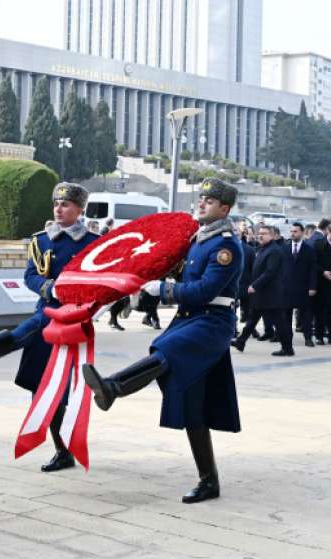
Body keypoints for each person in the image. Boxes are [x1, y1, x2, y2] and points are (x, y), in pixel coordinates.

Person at [83, 178, 243, 503]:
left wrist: (165, 290)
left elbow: (204, 291)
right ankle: (208, 480)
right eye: (201, 198)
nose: (201, 203)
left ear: (224, 209)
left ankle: (114, 387)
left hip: (213, 321)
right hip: (191, 319)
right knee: (193, 402)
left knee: (168, 348)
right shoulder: (198, 240)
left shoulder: (226, 246)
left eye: (210, 201)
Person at [0, 183, 99, 472]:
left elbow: (101, 279)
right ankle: (62, 452)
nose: (58, 209)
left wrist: (76, 294)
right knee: (41, 388)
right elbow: (30, 276)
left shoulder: (92, 242)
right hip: (47, 308)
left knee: (47, 372)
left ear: (80, 209)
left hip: (71, 320)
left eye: (65, 204)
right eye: (56, 204)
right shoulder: (42, 240)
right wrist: (50, 287)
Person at [233, 225, 291, 356]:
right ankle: (240, 342)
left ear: (272, 235)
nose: (260, 236)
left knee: (279, 322)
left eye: (264, 233)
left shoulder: (274, 251)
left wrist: (254, 285)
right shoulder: (262, 248)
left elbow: (270, 272)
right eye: (259, 233)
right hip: (261, 294)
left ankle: (288, 348)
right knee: (252, 319)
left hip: (271, 293)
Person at [282, 222, 318, 347]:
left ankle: (308, 338)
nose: (293, 234)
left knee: (306, 315)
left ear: (302, 233)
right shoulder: (285, 248)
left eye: (295, 231)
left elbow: (313, 269)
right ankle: (287, 339)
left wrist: (312, 287)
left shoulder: (309, 249)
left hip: (303, 288)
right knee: (286, 315)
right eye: (291, 231)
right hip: (287, 288)